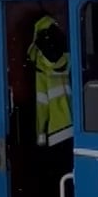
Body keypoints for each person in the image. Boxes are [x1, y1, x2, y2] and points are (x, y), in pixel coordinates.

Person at [27, 14, 73, 147]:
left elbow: (42, 103)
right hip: (77, 124)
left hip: (56, 130)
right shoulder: (69, 56)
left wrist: (40, 135)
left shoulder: (41, 66)